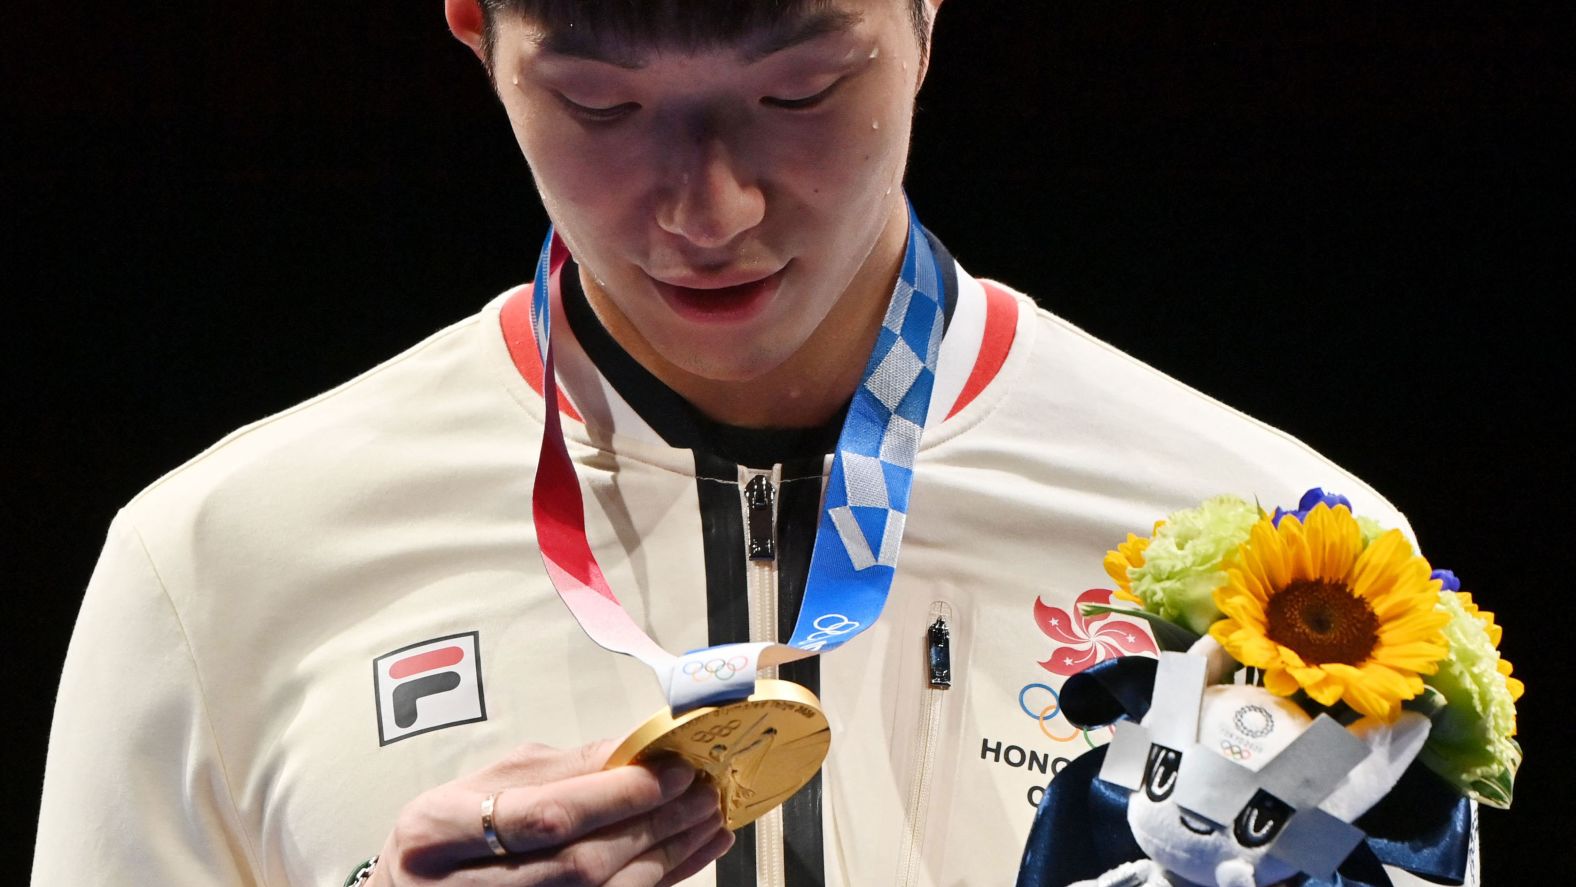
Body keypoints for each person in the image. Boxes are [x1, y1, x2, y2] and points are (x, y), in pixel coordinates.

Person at [32, 1, 1473, 885]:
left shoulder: (1301, 564)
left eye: (798, 92)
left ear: (924, 14)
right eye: (602, 104)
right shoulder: (214, 558)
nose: (708, 210)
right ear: (477, 30)